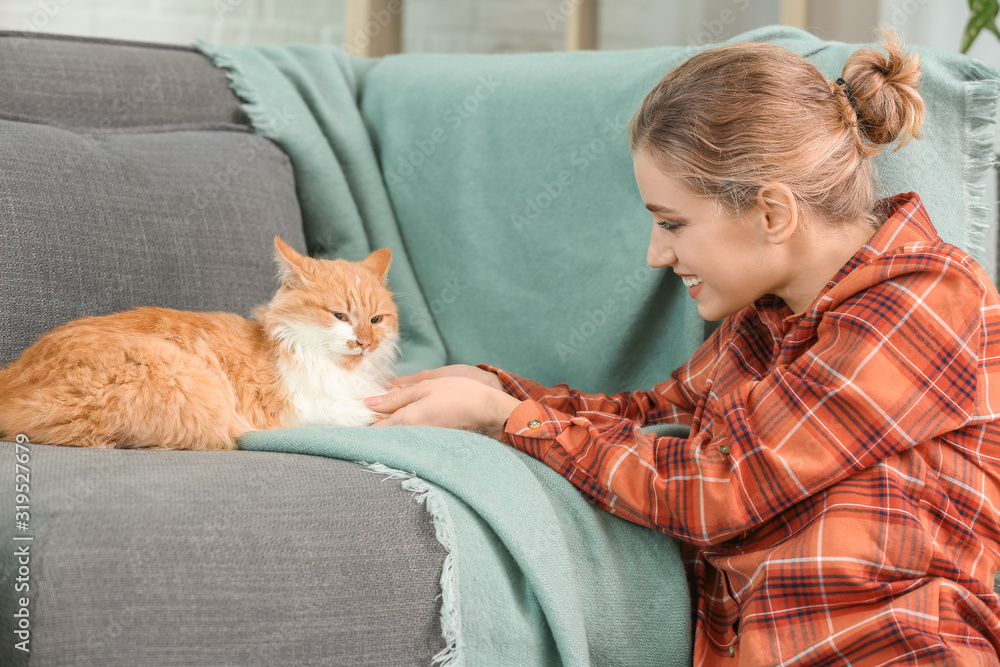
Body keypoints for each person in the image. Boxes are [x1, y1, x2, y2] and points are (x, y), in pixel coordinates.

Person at [364, 32, 1000, 665]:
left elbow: (721, 489)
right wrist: (495, 390)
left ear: (773, 214)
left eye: (672, 222)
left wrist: (506, 420)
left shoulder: (926, 298)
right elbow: (645, 414)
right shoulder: (765, 322)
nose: (656, 254)